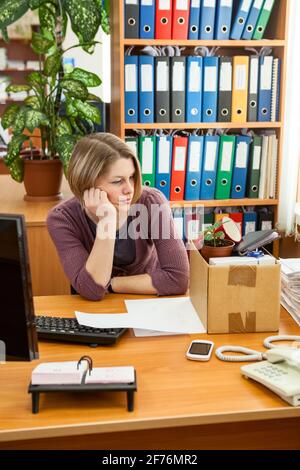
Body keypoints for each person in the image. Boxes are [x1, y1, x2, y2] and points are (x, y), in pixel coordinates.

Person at [47, 133, 189, 301]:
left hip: (147, 303)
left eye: (132, 177)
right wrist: (107, 220)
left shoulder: (151, 202)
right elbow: (92, 290)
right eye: (117, 181)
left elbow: (178, 279)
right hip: (95, 311)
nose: (129, 189)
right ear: (87, 184)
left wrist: (112, 284)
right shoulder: (62, 219)